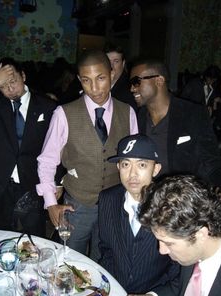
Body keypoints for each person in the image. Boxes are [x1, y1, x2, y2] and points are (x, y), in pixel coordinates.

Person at [37, 49, 138, 260]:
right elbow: (47, 161)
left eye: (101, 78)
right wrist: (51, 204)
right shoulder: (64, 113)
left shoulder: (127, 112)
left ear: (111, 73)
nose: (94, 88)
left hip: (114, 205)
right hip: (77, 205)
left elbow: (134, 160)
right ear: (79, 80)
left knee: (105, 260)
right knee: (69, 258)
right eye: (86, 80)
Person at [98, 134, 179, 294]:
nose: (132, 174)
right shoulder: (107, 198)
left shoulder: (172, 206)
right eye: (126, 164)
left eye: (142, 165)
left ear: (155, 169)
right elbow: (105, 248)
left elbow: (181, 267)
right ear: (118, 167)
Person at [130, 58, 221, 191]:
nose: (132, 88)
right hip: (146, 196)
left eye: (136, 82)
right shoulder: (136, 117)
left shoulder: (192, 113)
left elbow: (211, 161)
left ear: (159, 80)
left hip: (181, 200)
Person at [0, 58, 57, 236]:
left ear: (24, 76)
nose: (10, 89)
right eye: (3, 86)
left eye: (13, 81)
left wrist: (57, 182)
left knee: (35, 238)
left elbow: (57, 147)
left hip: (32, 184)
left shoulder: (47, 107)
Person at [138, 174, 221, 296]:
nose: (162, 250)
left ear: (200, 235)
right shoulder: (193, 251)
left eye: (169, 243)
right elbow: (185, 284)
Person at [104, 42, 138, 112]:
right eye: (108, 61)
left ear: (123, 63)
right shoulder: (96, 85)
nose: (111, 66)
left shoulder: (130, 89)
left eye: (116, 61)